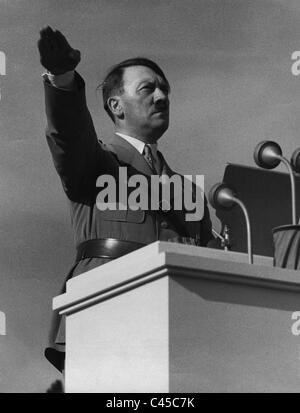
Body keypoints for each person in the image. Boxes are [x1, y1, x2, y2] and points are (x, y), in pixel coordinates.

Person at [38, 26, 213, 372]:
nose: (161, 97)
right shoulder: (94, 163)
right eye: (148, 89)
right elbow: (69, 134)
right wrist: (62, 79)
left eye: (165, 90)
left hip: (180, 335)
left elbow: (210, 269)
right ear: (115, 105)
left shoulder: (189, 192)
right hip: (105, 320)